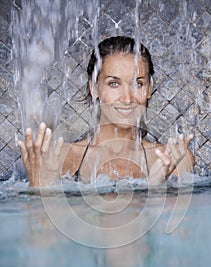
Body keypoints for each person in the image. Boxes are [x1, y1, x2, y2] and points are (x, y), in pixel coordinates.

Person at [18, 36, 194, 188]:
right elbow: (40, 224)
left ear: (149, 88)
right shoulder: (60, 157)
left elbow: (176, 226)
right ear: (94, 88)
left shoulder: (174, 160)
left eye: (138, 83)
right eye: (113, 84)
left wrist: (156, 186)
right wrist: (39, 187)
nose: (127, 98)